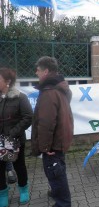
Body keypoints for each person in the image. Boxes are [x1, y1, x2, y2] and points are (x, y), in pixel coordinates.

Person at [31, 57, 73, 207]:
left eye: (38, 70)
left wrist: (45, 147)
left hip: (52, 146)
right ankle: (59, 197)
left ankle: (63, 203)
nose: (36, 72)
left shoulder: (49, 92)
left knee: (56, 175)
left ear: (46, 71)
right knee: (58, 173)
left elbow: (46, 123)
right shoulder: (60, 88)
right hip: (59, 141)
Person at [0, 67, 33, 206]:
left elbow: (28, 117)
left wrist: (12, 133)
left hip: (15, 140)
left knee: (19, 166)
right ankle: (3, 194)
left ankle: (24, 190)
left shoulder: (20, 97)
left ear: (7, 81)